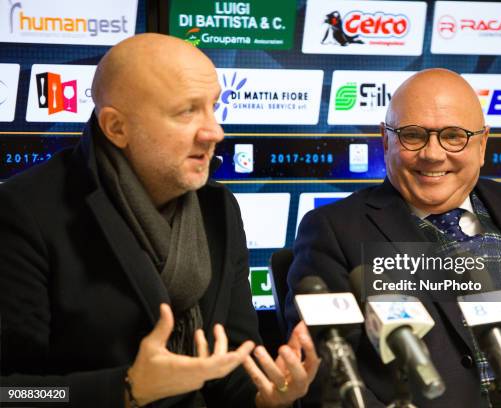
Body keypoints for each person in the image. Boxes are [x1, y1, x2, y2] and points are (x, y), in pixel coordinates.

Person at [0, 33, 319, 407]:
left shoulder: (219, 208)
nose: (214, 131)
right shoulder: (25, 211)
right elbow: (14, 392)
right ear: (116, 128)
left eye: (214, 106)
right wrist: (127, 388)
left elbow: (231, 366)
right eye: (186, 111)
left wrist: (269, 396)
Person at [285, 68, 501, 407]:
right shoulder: (334, 231)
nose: (433, 154)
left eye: (454, 136)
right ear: (385, 139)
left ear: (482, 144)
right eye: (413, 135)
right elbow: (328, 375)